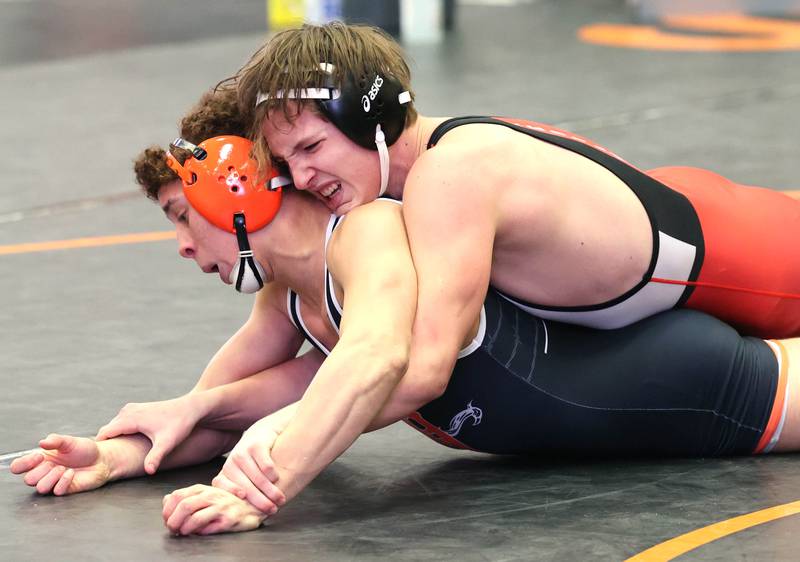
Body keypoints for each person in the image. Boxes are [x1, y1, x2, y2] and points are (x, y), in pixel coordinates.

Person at [11, 109, 800, 536]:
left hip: (689, 383)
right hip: (629, 382)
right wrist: (112, 457)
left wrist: (268, 484)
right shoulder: (286, 296)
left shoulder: (369, 235)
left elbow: (379, 356)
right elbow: (217, 408)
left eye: (185, 218)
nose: (183, 248)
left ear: (237, 197)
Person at [231, 22, 800, 418]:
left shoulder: (449, 177)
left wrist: (276, 447)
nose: (300, 180)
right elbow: (320, 346)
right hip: (698, 216)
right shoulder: (420, 173)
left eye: (310, 147)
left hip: (752, 263)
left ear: (370, 119)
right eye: (286, 163)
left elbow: (425, 369)